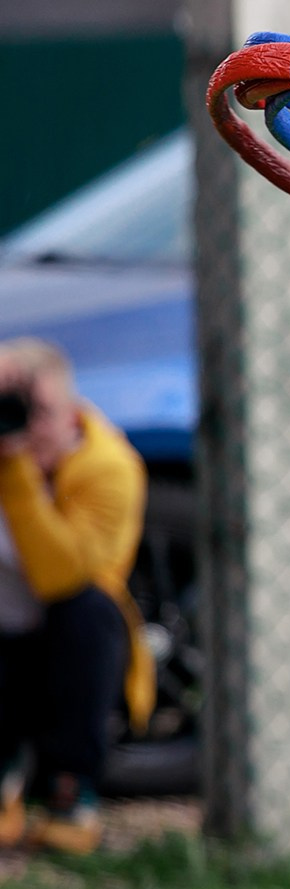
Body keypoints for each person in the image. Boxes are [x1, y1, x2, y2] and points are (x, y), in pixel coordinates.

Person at [0, 339, 152, 857]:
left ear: (72, 410)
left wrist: (16, 470)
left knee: (88, 611)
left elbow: (61, 577)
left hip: (60, 655)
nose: (26, 425)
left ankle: (71, 792)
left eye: (38, 412)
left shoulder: (107, 467)